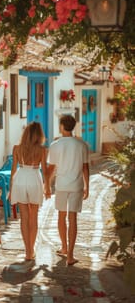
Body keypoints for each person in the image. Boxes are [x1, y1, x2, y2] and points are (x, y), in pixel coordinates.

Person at [47, 114, 89, 266]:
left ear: (61, 126)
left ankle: (64, 247)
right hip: (77, 185)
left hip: (62, 185)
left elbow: (51, 168)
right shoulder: (82, 145)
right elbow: (85, 167)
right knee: (73, 219)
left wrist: (47, 184)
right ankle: (70, 254)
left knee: (61, 216)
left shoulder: (55, 145)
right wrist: (87, 186)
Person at [9, 121, 51, 261]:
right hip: (34, 179)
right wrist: (48, 188)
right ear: (39, 135)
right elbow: (45, 171)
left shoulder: (17, 148)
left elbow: (13, 170)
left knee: (24, 217)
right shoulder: (42, 150)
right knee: (34, 217)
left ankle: (27, 250)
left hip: (20, 179)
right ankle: (30, 251)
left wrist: (10, 190)